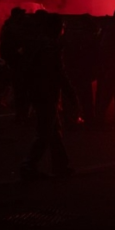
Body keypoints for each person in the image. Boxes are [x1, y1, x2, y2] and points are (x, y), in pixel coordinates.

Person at [20, 12, 75, 180]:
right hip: (47, 95)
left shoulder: (39, 45)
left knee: (53, 130)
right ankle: (28, 166)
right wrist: (71, 94)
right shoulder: (50, 48)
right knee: (46, 132)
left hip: (40, 94)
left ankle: (61, 165)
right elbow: (58, 73)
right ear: (56, 28)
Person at [0, 7, 30, 127]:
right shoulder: (13, 29)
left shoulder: (9, 27)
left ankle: (21, 116)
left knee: (20, 91)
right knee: (21, 91)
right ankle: (22, 116)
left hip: (16, 63)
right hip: (18, 63)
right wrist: (17, 53)